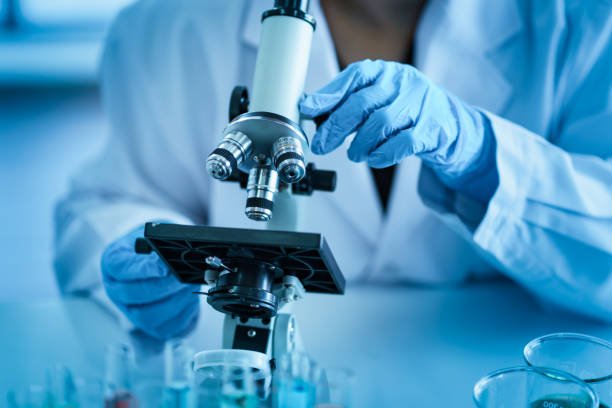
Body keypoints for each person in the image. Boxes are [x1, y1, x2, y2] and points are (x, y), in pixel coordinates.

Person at [54, 0, 612, 340]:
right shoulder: (168, 26)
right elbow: (106, 202)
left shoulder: (583, 23)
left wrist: (481, 154)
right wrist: (141, 253)